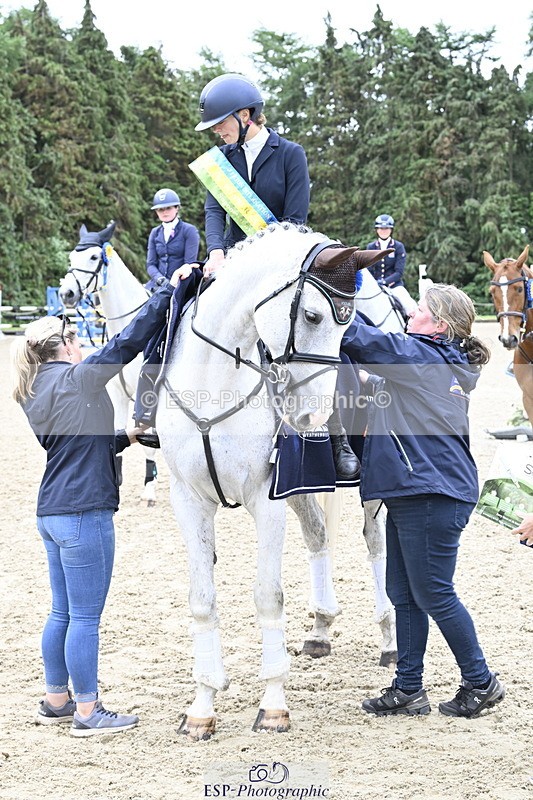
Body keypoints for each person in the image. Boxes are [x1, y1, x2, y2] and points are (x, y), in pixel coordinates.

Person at [11, 270, 183, 736]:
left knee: (62, 611)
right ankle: (88, 712)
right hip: (85, 509)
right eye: (75, 341)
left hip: (52, 509)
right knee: (85, 617)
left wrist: (124, 437)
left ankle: (57, 699)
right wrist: (168, 291)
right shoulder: (78, 378)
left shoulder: (33, 388)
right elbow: (126, 343)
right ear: (65, 347)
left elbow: (74, 442)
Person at [341, 284, 506, 718]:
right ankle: (409, 688)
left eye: (418, 312)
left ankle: (481, 682)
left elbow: (363, 339)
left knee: (434, 593)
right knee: (404, 591)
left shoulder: (425, 357)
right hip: (414, 489)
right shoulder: (430, 362)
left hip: (431, 491)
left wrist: (332, 300)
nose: (410, 317)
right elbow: (372, 371)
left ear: (440, 325)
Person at [194, 72, 358, 479]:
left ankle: (337, 435)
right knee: (179, 302)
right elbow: (215, 211)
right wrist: (215, 251)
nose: (216, 131)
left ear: (246, 116)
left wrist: (268, 263)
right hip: (232, 262)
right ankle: (160, 399)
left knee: (324, 332)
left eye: (220, 123)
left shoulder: (290, 154)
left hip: (283, 262)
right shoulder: (222, 161)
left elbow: (295, 218)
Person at [145, 187, 200, 291]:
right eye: (160, 209)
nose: (164, 212)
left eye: (168, 208)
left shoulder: (189, 230)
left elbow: (189, 263)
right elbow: (151, 264)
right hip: (158, 284)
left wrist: (173, 282)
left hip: (181, 284)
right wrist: (160, 279)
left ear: (177, 208)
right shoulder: (155, 233)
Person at [366, 214, 417, 316]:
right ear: (377, 230)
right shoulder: (371, 247)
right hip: (375, 286)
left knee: (410, 307)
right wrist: (374, 284)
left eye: (386, 228)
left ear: (391, 230)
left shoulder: (398, 247)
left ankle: (409, 328)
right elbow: (369, 270)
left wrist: (385, 282)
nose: (384, 231)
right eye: (381, 228)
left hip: (394, 286)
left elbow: (399, 272)